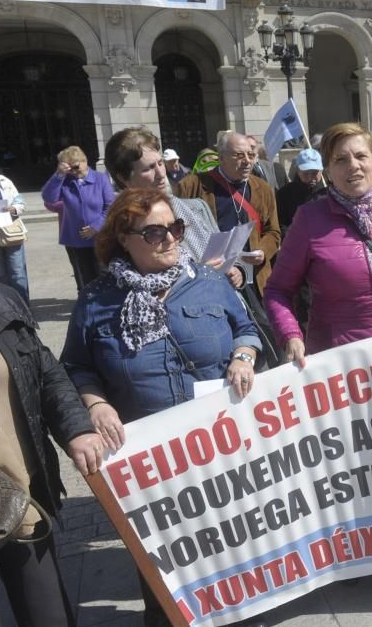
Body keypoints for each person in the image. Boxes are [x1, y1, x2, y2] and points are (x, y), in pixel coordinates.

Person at [61, 187, 261, 624]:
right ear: (123, 239)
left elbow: (246, 327)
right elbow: (75, 366)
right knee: (163, 569)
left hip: (222, 452)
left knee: (235, 550)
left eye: (175, 227)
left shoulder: (208, 283)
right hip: (152, 466)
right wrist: (95, 404)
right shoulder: (95, 301)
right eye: (154, 232)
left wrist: (244, 355)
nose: (171, 238)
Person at [264, 121, 372, 363]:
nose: (353, 166)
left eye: (360, 156)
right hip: (339, 365)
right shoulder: (308, 219)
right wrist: (291, 335)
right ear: (328, 171)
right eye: (340, 160)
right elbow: (277, 291)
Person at [0, 283, 103, 627]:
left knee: (49, 618)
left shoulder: (0, 301)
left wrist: (76, 428)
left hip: (20, 498)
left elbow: (47, 372)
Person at [103, 127, 251, 290]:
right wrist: (200, 276)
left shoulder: (197, 207)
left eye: (160, 163)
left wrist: (237, 271)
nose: (160, 173)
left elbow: (226, 256)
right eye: (149, 168)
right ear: (123, 178)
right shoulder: (124, 227)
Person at [176, 132, 281, 296]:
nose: (247, 160)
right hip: (210, 280)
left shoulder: (264, 189)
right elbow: (179, 236)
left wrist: (262, 251)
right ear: (221, 157)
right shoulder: (191, 186)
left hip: (255, 279)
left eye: (251, 155)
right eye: (239, 155)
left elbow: (273, 231)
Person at [41, 146, 115, 292]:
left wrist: (96, 226)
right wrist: (59, 175)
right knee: (84, 279)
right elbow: (49, 198)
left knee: (104, 275)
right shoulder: (66, 180)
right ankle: (88, 307)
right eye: (69, 169)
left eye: (75, 167)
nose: (73, 172)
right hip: (76, 239)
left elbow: (110, 206)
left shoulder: (100, 179)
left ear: (84, 161)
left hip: (99, 237)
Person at [0, 154, 29, 302]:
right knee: (1, 275)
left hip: (12, 232)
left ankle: (23, 308)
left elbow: (20, 201)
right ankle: (9, 309)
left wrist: (13, 208)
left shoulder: (4, 181)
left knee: (17, 273)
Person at [278, 148, 325, 232]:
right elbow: (280, 224)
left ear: (321, 170)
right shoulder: (284, 194)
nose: (310, 177)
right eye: (306, 173)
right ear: (298, 170)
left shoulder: (332, 193)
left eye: (314, 172)